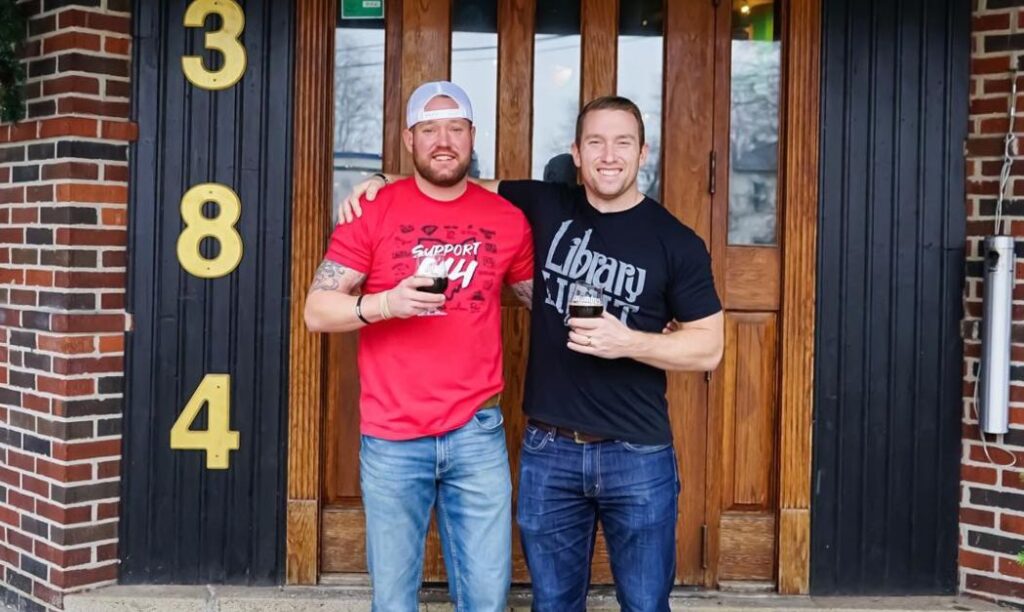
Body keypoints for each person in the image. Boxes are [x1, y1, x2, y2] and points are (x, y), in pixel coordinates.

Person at [339, 96, 724, 612]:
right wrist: (385, 179)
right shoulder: (544, 206)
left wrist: (628, 341)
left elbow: (709, 347)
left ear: (643, 152)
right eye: (596, 143)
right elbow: (452, 182)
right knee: (554, 605)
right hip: (551, 450)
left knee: (645, 603)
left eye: (623, 143)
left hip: (638, 452)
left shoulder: (677, 242)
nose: (609, 155)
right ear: (577, 153)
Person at [304, 81, 534, 612]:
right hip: (392, 436)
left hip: (477, 431)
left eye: (455, 127)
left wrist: (638, 320)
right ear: (409, 139)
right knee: (393, 600)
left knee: (486, 598)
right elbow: (317, 310)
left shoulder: (506, 219)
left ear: (473, 137)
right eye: (429, 129)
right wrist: (384, 304)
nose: (443, 140)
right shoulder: (374, 209)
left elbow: (538, 300)